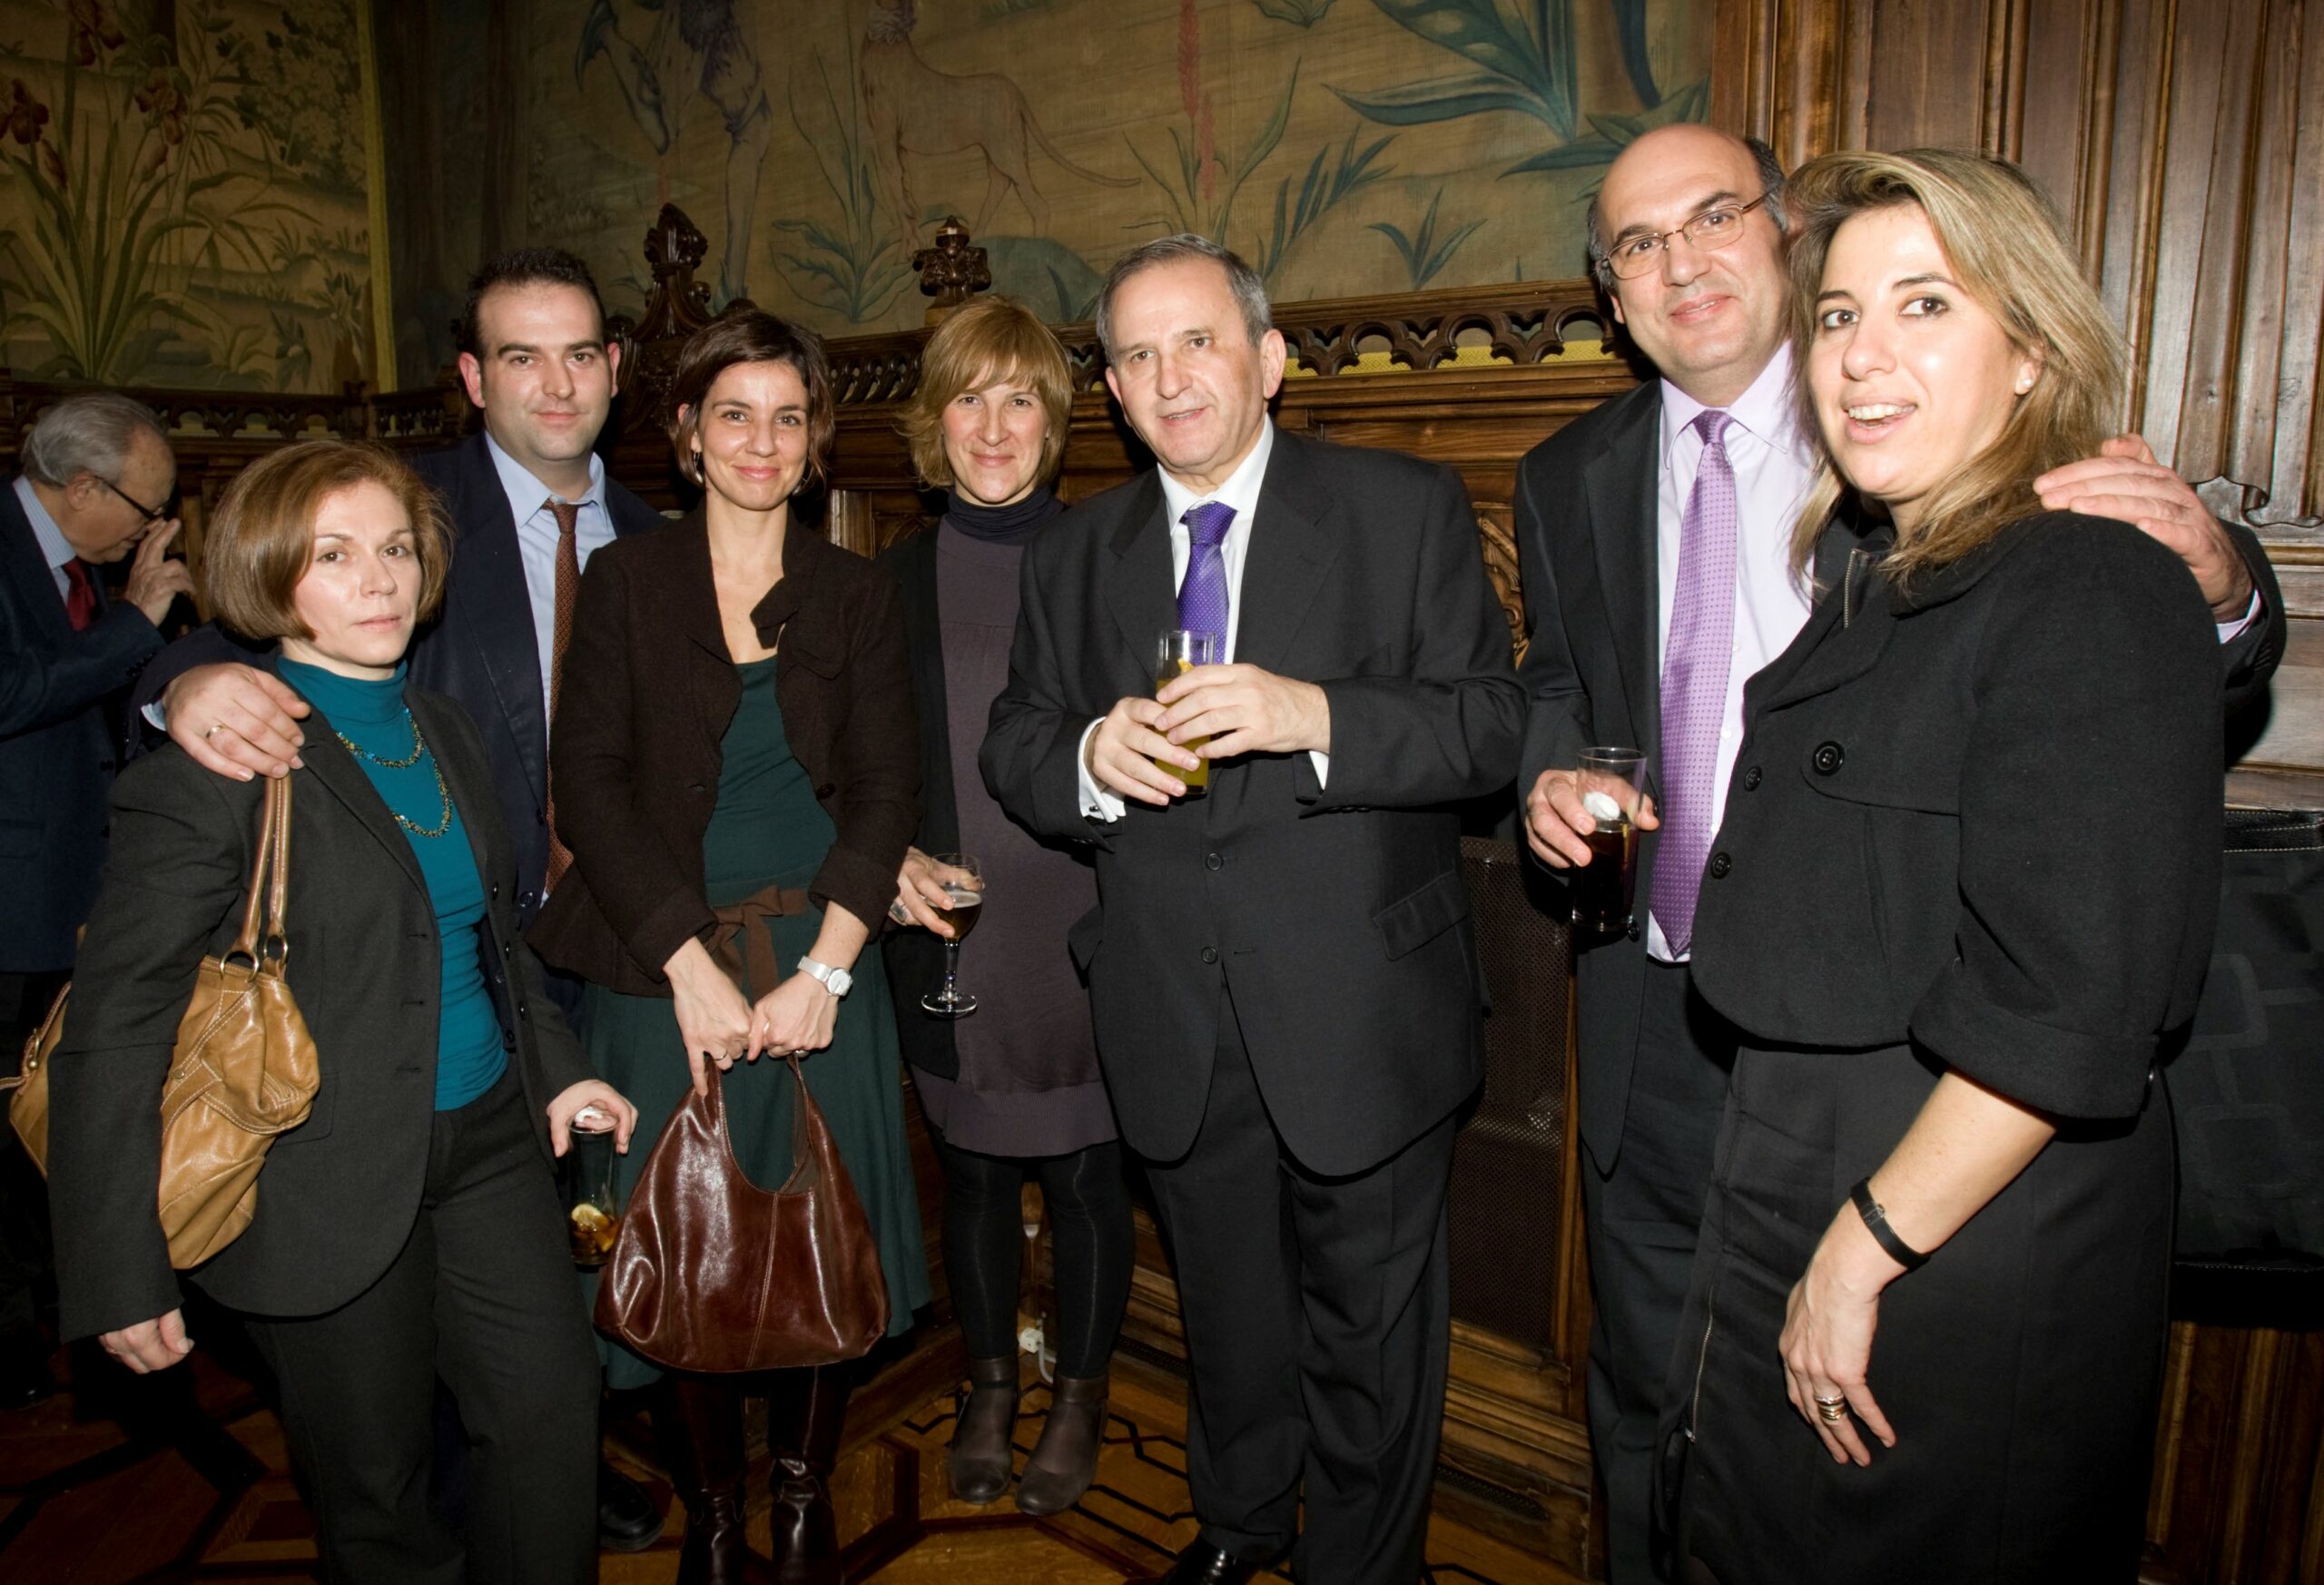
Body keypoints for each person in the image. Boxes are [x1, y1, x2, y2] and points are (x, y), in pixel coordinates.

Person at [1509, 123, 2285, 1583]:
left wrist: (2222, 581)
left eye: (1714, 215)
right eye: (1639, 243)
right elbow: (1563, 679)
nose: (1867, 354)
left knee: (1889, 1497)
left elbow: (2072, 959)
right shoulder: (1589, 479)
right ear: (1610, 290)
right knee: (1685, 1437)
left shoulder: (1997, 503)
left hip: (1933, 1113)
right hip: (1677, 1035)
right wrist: (1549, 768)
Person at [981, 234, 1523, 1585]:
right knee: (1226, 1318)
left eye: (1199, 341)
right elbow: (1014, 738)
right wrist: (1087, 757)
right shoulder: (1076, 551)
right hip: (1170, 1007)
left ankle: (1362, 1567)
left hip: (1362, 1008)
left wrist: (1313, 714)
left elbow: (1488, 727)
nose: (1172, 377)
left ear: (1269, 359)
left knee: (1369, 1340)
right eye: (1139, 354)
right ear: (1113, 390)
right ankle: (1236, 1528)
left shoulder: (1401, 508)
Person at [132, 247, 670, 1550]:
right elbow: (241, 637)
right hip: (361, 1001)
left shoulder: (661, 539)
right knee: (381, 1435)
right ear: (475, 378)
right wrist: (184, 685)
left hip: (574, 962)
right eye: (522, 355)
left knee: (540, 1382)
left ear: (615, 369)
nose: (557, 383)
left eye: (581, 353)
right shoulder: (394, 507)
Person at [45, 438, 639, 1585]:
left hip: (489, 1145)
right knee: (378, 1497)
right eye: (333, 555)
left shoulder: (443, 727)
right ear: (269, 574)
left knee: (551, 1420)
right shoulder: (223, 757)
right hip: (318, 1176)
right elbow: (115, 1026)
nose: (379, 580)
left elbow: (493, 942)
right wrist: (117, 1264)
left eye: (396, 550)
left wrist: (558, 1066)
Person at [529, 309, 930, 1585]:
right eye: (735, 415)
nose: (763, 441)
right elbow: (588, 784)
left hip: (822, 961)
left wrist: (828, 969)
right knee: (680, 1243)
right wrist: (686, 964)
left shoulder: (857, 592)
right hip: (660, 959)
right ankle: (710, 1511)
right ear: (689, 435)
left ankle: (801, 1495)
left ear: (816, 444)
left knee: (825, 1239)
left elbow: (888, 788)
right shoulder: (628, 584)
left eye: (788, 418)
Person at [880, 296, 1131, 1515]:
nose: (993, 426)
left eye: (1019, 398)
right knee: (974, 1172)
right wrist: (881, 860)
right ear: (934, 420)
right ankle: (988, 1385)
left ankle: (1077, 1394)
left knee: (1087, 1177)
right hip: (951, 939)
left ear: (1054, 420)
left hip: (1088, 935)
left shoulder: (1117, 555)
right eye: (968, 398)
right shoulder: (885, 581)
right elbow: (844, 763)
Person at [0, 390, 192, 1407]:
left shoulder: (85, 572)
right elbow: (13, 693)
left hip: (82, 889)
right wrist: (132, 625)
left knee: (66, 1112)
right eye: (145, 507)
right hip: (12, 902)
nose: (154, 529)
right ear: (81, 487)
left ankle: (70, 1310)